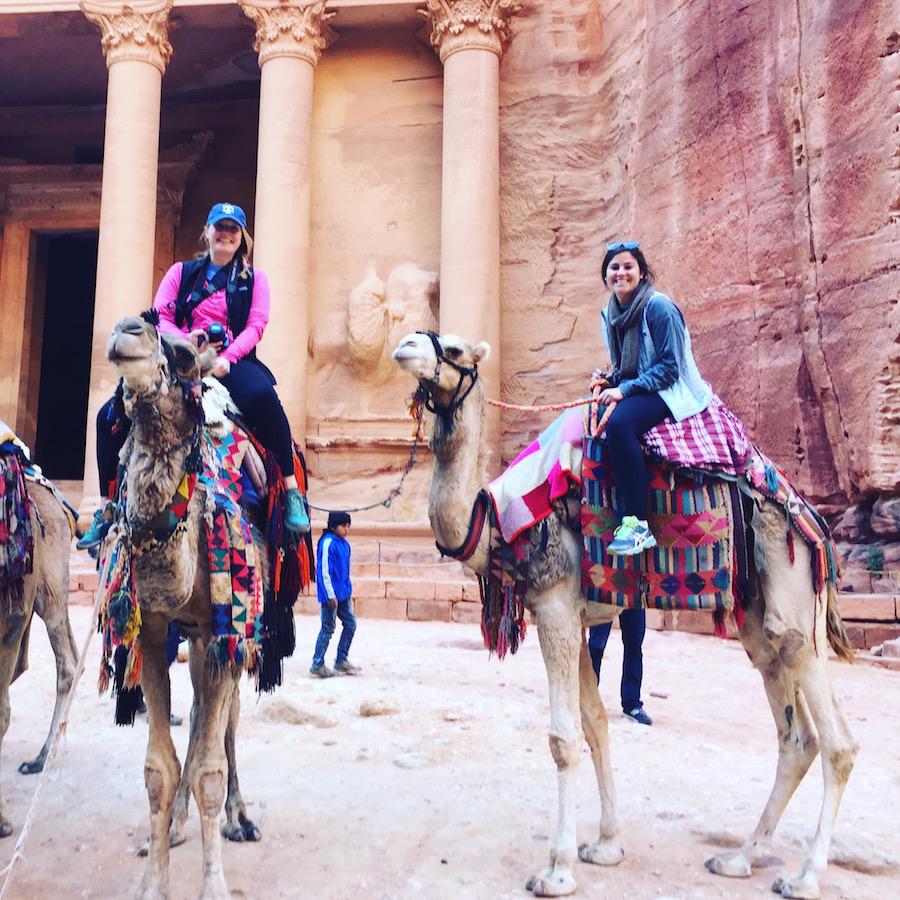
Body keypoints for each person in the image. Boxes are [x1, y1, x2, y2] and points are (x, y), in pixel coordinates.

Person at [78, 201, 309, 549]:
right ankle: (107, 507)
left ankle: (291, 490)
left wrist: (226, 357)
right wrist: (186, 341)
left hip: (231, 361)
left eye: (233, 230)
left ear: (242, 238)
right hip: (179, 360)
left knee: (263, 398)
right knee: (108, 415)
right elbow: (161, 314)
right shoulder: (181, 273)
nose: (226, 234)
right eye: (221, 227)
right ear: (208, 231)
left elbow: (256, 325)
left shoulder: (255, 279)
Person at [593, 240, 712, 555]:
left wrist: (624, 390)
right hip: (641, 386)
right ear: (606, 276)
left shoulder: (658, 307)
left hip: (671, 391)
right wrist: (609, 380)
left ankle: (637, 523)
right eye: (614, 267)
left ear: (641, 272)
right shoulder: (610, 314)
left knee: (618, 425)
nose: (621, 273)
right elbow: (625, 367)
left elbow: (670, 368)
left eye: (628, 266)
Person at [310, 511, 360, 678]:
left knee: (350, 624)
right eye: (343, 526)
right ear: (333, 526)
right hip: (331, 596)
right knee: (328, 628)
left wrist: (347, 590)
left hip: (343, 594)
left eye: (348, 526)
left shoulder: (345, 544)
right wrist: (330, 594)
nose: (347, 530)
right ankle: (317, 663)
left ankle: (341, 660)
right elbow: (324, 570)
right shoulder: (328, 543)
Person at [588, 611, 651, 725]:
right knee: (596, 646)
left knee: (634, 646)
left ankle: (632, 704)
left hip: (634, 595)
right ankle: (587, 699)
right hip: (605, 595)